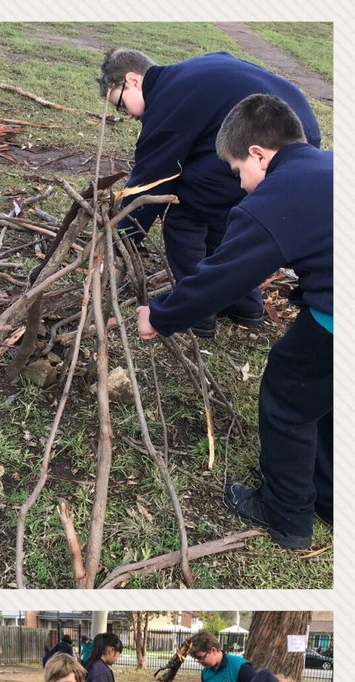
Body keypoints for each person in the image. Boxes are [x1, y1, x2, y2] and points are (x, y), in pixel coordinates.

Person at [137, 94, 332, 550]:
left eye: (238, 171)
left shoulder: (276, 197)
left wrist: (160, 315)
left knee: (288, 398)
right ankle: (329, 498)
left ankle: (286, 514)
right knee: (323, 398)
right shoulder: (329, 166)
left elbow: (221, 279)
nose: (241, 185)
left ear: (260, 155)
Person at [100, 48, 320, 336]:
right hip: (300, 133)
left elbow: (151, 180)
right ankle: (245, 305)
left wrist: (121, 237)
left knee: (185, 215)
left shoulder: (167, 100)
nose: (126, 115)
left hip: (269, 139)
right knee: (222, 211)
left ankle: (197, 313)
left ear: (133, 80)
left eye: (119, 104)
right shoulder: (192, 70)